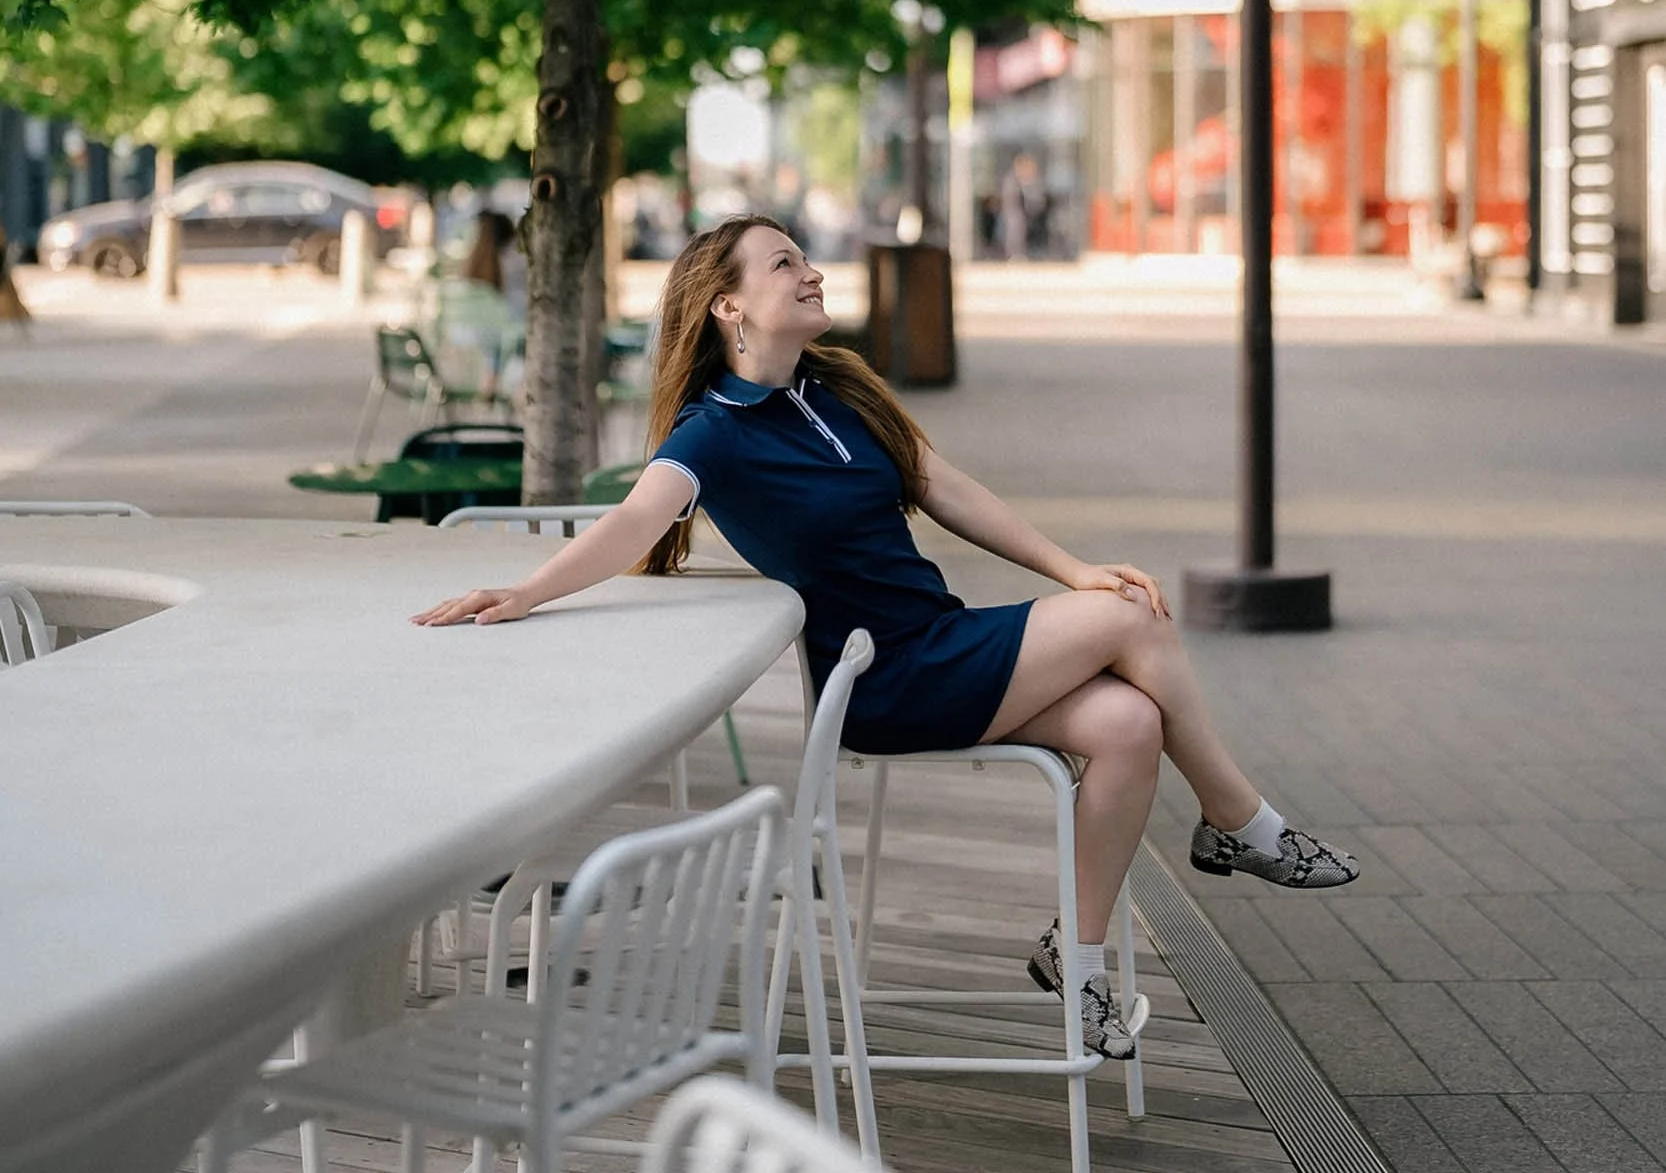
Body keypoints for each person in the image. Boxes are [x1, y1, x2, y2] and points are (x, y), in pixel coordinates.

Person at [413, 216, 1357, 1058]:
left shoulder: (839, 391)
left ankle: (1077, 958)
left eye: (804, 257)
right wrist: (526, 591)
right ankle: (1240, 825)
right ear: (729, 307)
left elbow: (946, 490)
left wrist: (1069, 568)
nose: (810, 273)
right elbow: (630, 526)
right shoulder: (710, 434)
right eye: (785, 264)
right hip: (880, 682)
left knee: (1127, 725)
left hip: (938, 641)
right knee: (1127, 614)